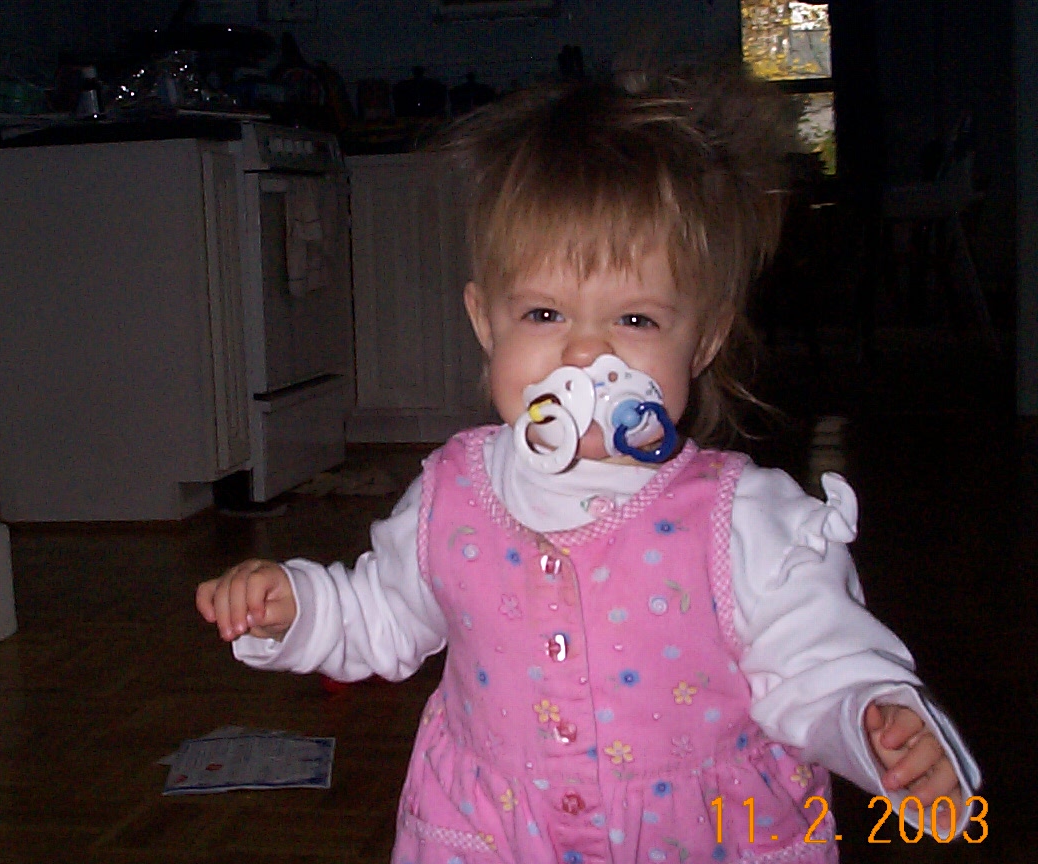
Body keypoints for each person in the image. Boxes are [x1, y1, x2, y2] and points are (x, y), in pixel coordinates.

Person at [197, 63, 981, 864]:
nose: (584, 354)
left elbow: (821, 662)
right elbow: (382, 613)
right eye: (545, 312)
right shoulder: (451, 495)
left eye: (634, 319)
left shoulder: (744, 521)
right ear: (486, 322)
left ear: (703, 340)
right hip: (496, 835)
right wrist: (296, 606)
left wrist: (876, 723)